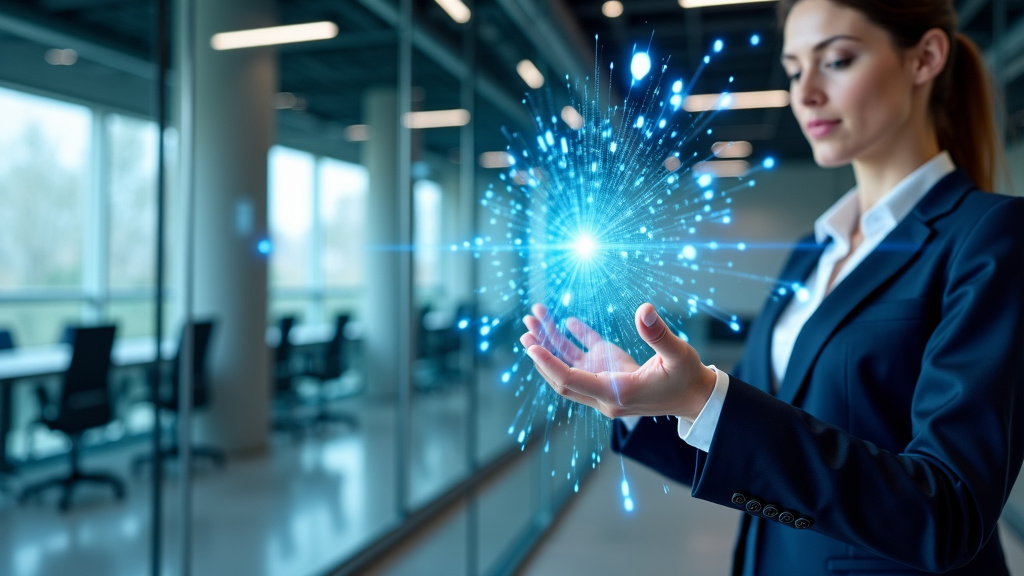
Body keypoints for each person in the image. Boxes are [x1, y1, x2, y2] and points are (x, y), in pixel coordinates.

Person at [519, 0, 1024, 574]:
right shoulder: (817, 249)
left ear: (925, 58)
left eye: (835, 60)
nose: (804, 92)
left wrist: (704, 396)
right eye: (792, 69)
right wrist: (649, 402)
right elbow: (754, 438)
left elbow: (951, 513)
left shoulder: (991, 237)